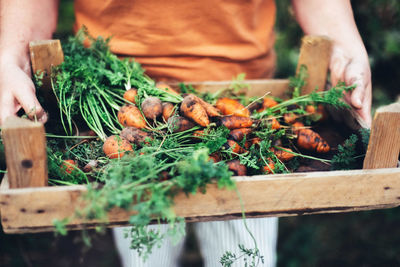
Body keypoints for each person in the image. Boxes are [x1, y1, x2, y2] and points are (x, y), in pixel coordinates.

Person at [0, 0, 372, 266]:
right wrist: (12, 55)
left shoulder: (238, 129)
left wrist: (343, 42)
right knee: (147, 256)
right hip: (122, 112)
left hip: (243, 93)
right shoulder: (127, 128)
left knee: (246, 259)